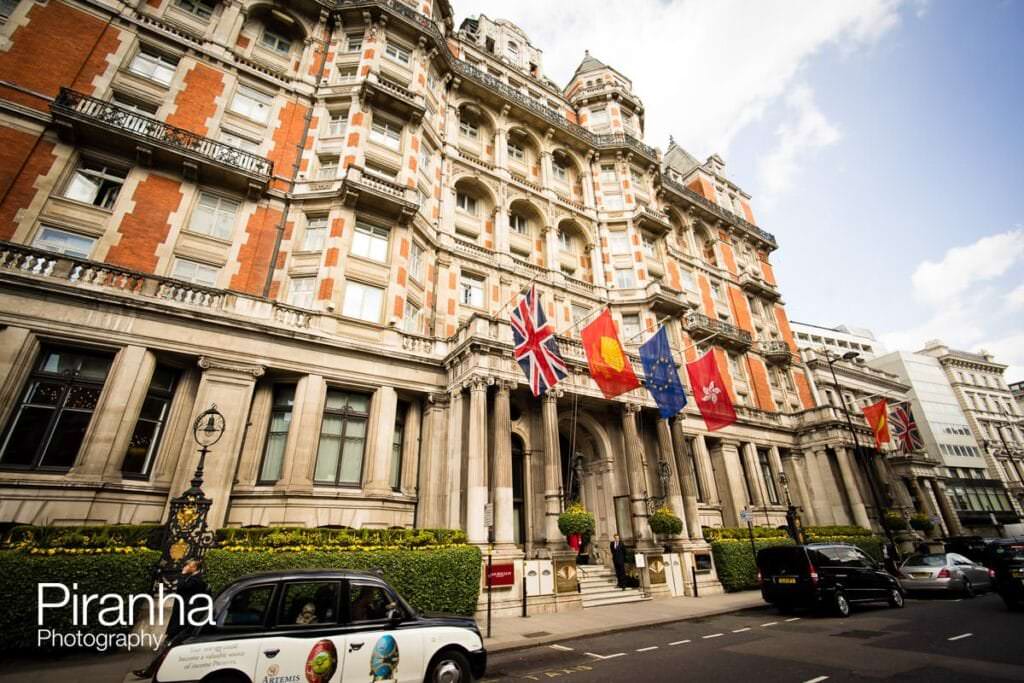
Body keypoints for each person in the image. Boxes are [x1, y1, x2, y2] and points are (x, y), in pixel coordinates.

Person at [133, 559, 211, 680]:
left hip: (184, 619)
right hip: (182, 618)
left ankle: (150, 670)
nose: (185, 567)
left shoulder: (196, 581)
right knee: (169, 645)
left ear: (194, 568)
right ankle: (151, 669)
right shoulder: (193, 579)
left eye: (188, 565)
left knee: (168, 645)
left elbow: (180, 587)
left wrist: (182, 574)